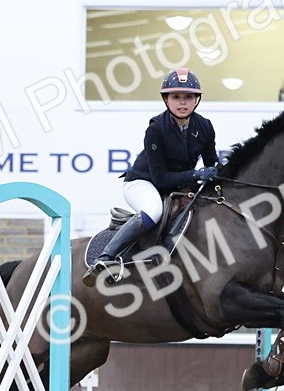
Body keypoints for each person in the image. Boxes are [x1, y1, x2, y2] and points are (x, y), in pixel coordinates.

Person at [84, 69, 219, 286]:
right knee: (154, 210)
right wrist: (196, 174)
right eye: (176, 97)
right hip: (143, 183)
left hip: (176, 185)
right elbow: (161, 179)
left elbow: (212, 164)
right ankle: (106, 257)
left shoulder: (205, 127)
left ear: (197, 100)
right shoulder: (156, 129)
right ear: (166, 99)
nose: (182, 103)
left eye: (188, 97)